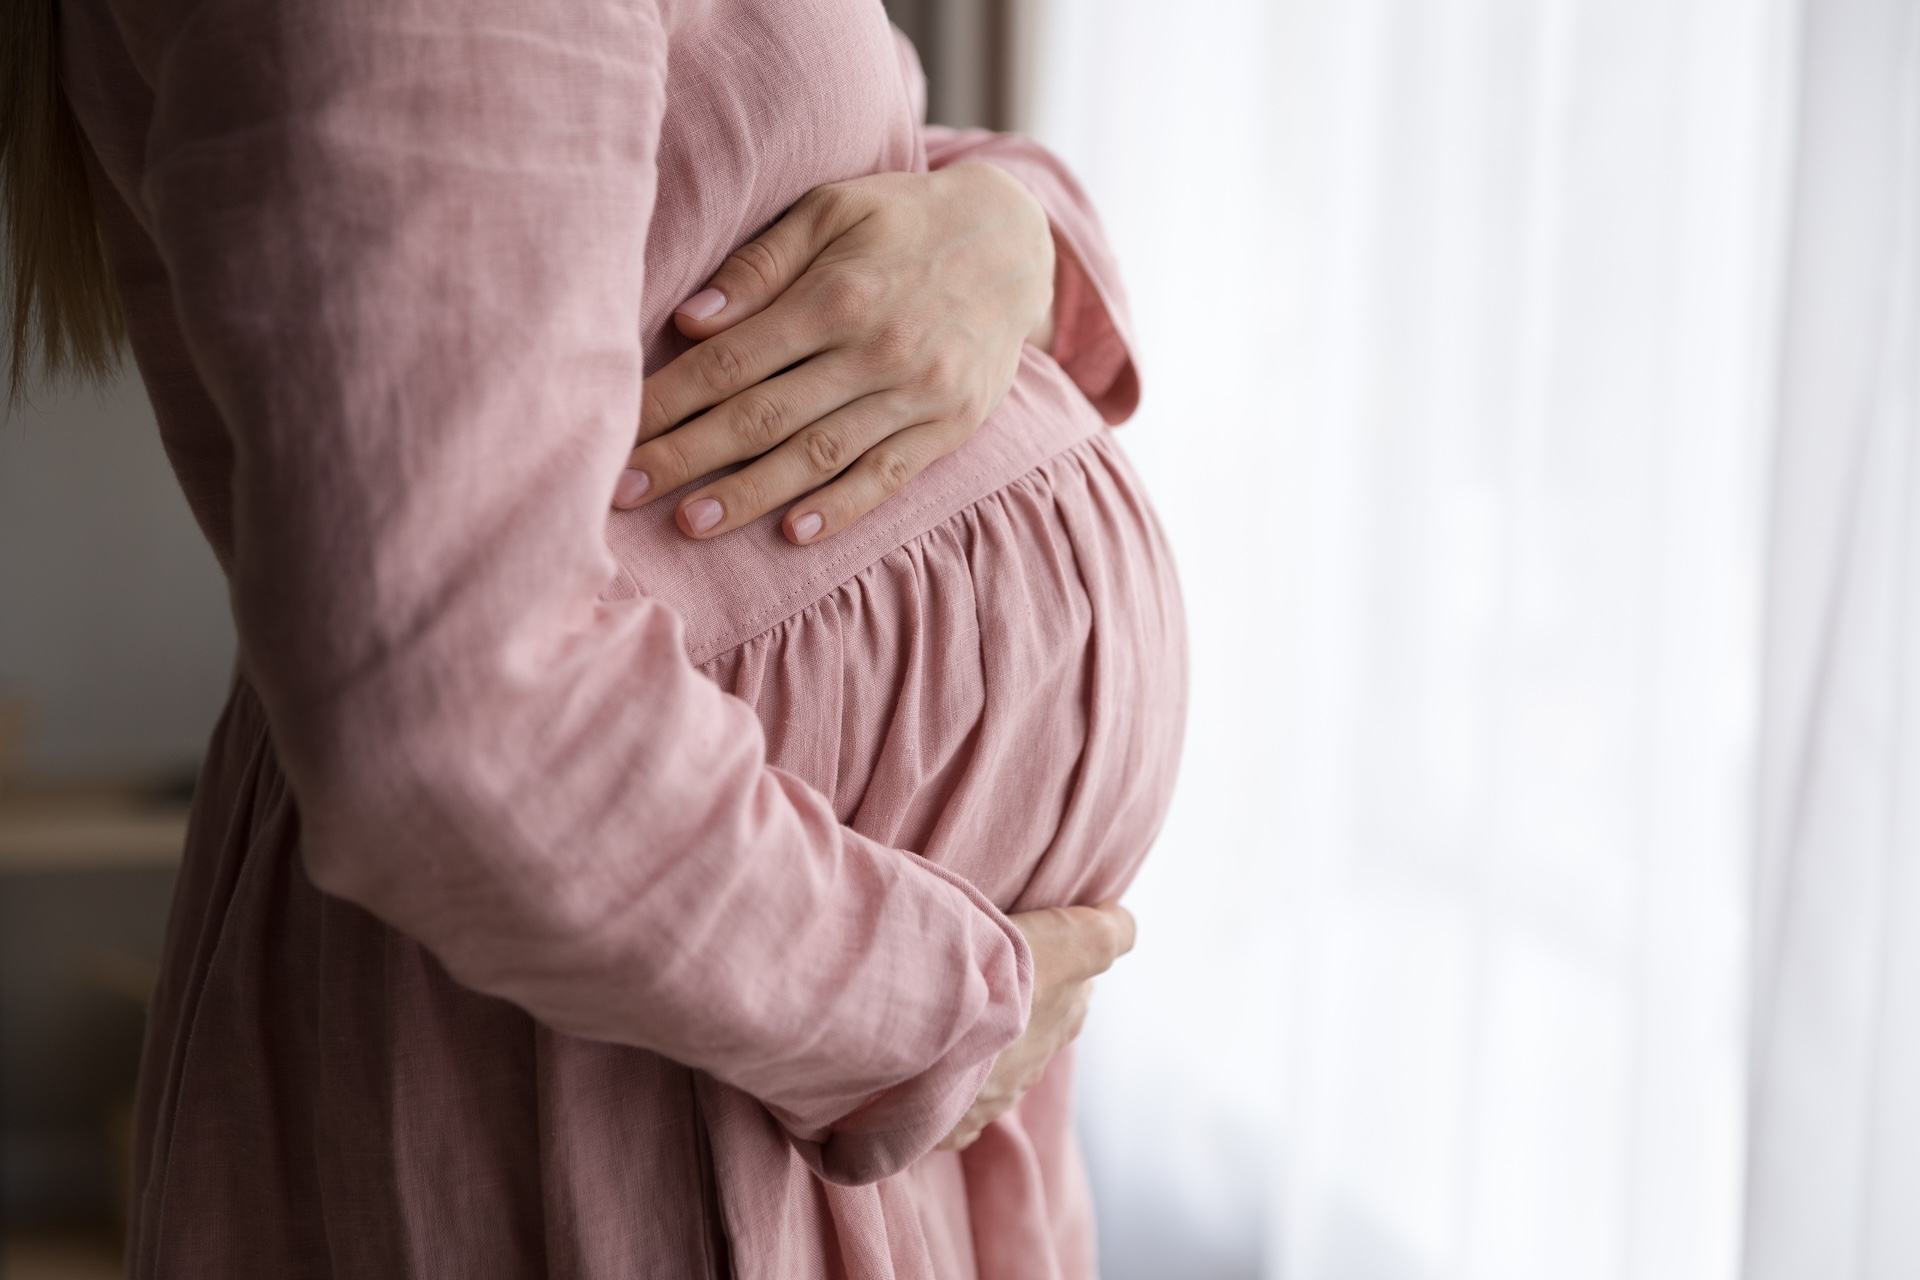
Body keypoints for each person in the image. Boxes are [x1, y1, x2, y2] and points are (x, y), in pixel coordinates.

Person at [5, 0, 1186, 1275]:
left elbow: (767, 153)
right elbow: (451, 715)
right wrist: (917, 1016)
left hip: (797, 1039)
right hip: (667, 1043)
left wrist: (1018, 227)